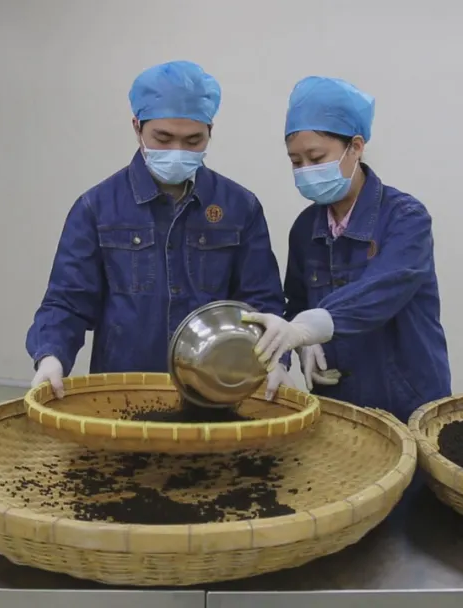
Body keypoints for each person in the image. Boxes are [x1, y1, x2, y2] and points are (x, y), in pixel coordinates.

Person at [27, 61, 291, 400]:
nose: (177, 151)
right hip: (123, 391)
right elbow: (67, 301)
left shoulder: (240, 207)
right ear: (137, 127)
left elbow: (262, 302)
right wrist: (51, 356)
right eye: (163, 138)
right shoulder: (96, 207)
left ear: (210, 130)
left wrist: (277, 360)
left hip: (216, 391)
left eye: (193, 140)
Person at [243, 76, 451, 422]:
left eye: (316, 158)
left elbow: (381, 291)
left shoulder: (405, 218)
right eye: (296, 162)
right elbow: (297, 301)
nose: (306, 171)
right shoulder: (306, 229)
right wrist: (293, 349)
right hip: (337, 402)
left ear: (355, 147)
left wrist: (308, 327)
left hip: (407, 401)